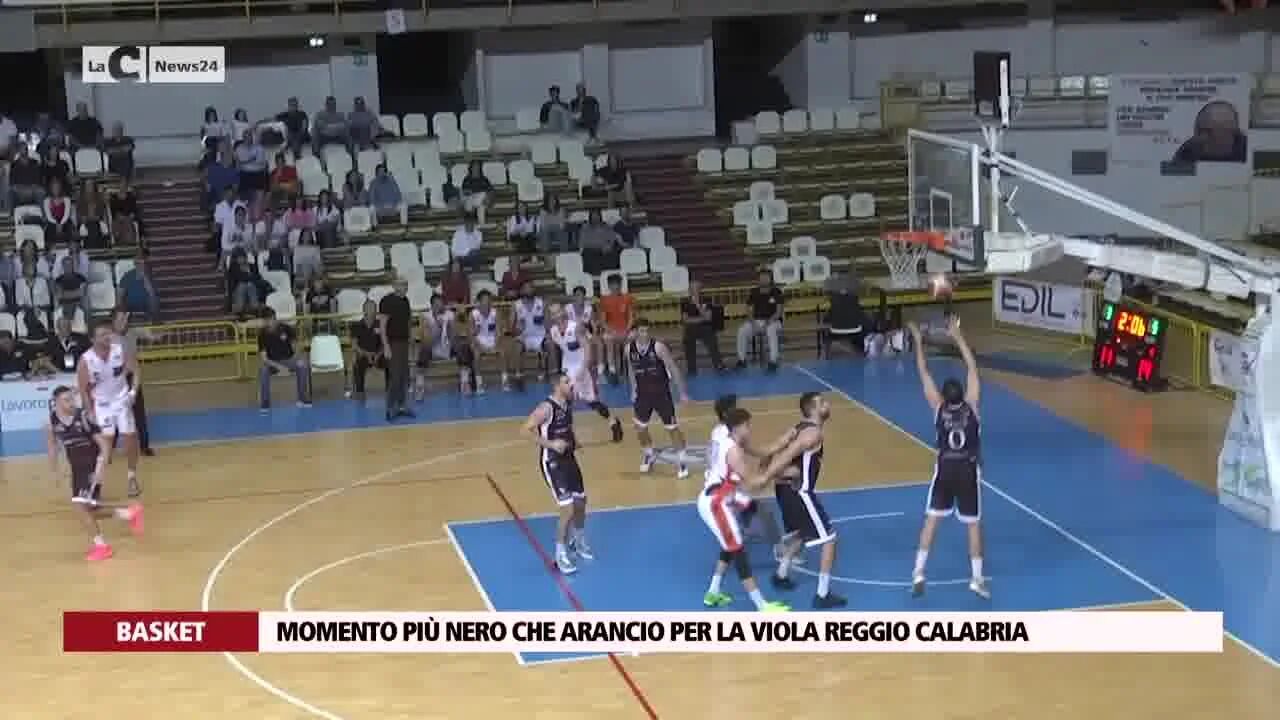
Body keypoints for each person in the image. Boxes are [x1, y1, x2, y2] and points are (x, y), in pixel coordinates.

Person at [906, 316, 989, 600]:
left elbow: (923, 371)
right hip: (967, 470)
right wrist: (957, 336)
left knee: (931, 521)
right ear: (962, 395)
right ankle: (977, 579)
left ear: (943, 395)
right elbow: (972, 367)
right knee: (973, 525)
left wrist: (918, 341)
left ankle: (918, 571)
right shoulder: (973, 406)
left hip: (944, 470)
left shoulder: (938, 408)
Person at [697, 406, 789, 612]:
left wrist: (781, 445)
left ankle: (713, 592)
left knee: (739, 531)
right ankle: (762, 606)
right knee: (738, 550)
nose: (750, 429)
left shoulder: (725, 437)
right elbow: (754, 483)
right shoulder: (734, 452)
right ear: (737, 427)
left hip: (723, 495)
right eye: (748, 425)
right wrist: (775, 471)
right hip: (716, 502)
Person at [762, 392, 847, 608]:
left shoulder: (797, 427)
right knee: (830, 539)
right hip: (802, 493)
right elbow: (786, 455)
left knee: (802, 533)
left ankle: (781, 575)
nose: (827, 405)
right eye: (822, 403)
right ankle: (822, 594)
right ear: (812, 409)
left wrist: (771, 470)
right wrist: (768, 475)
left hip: (789, 492)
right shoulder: (812, 434)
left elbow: (776, 450)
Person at [46, 385, 143, 561]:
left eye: (72, 399)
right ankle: (129, 513)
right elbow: (52, 446)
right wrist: (54, 471)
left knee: (80, 507)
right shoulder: (51, 422)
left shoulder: (84, 417)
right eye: (66, 400)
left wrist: (100, 468)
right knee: (91, 509)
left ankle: (102, 547)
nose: (71, 403)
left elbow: (104, 445)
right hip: (77, 469)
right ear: (56, 403)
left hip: (91, 467)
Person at [523, 372, 593, 574]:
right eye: (566, 382)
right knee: (567, 509)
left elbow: (567, 427)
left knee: (581, 502)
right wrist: (551, 443)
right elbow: (525, 430)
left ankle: (578, 541)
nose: (571, 384)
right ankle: (560, 554)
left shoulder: (568, 404)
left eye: (570, 381)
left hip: (569, 458)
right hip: (552, 462)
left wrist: (575, 441)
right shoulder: (546, 408)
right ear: (556, 386)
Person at [76, 319, 142, 498]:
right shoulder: (86, 361)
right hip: (102, 404)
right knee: (105, 445)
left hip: (122, 401)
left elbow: (136, 371)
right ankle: (96, 485)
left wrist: (133, 392)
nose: (107, 337)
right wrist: (89, 412)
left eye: (108, 333)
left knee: (130, 437)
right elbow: (83, 390)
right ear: (92, 339)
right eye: (102, 335)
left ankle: (132, 476)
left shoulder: (120, 351)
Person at [549, 303, 624, 443]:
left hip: (582, 366)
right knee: (565, 400)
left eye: (558, 311)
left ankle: (613, 422)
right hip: (567, 368)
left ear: (563, 312)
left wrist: (584, 369)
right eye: (553, 313)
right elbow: (562, 350)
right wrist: (558, 371)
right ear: (551, 317)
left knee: (591, 402)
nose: (557, 315)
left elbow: (588, 349)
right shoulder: (553, 331)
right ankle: (569, 436)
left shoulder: (576, 327)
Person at [627, 317, 690, 478]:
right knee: (640, 428)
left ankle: (682, 460)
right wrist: (633, 389)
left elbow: (673, 369)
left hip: (661, 393)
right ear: (635, 332)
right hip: (642, 394)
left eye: (647, 330)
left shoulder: (658, 347)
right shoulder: (629, 349)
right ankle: (649, 453)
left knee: (672, 428)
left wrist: (682, 392)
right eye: (641, 331)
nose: (645, 334)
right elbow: (631, 370)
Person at [113, 311, 153, 457]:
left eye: (125, 319)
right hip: (116, 380)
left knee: (139, 413)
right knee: (115, 414)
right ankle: (109, 449)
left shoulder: (133, 333)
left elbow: (148, 334)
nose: (124, 322)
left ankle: (144, 446)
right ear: (114, 321)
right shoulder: (109, 339)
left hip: (132, 378)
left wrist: (153, 336)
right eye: (120, 319)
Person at [257, 307, 312, 411]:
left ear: (274, 318)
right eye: (265, 320)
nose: (268, 322)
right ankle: (265, 403)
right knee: (263, 370)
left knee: (302, 365)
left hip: (289, 360)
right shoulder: (262, 334)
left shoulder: (287, 328)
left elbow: (296, 347)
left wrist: (297, 358)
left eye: (270, 319)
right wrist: (279, 367)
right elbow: (264, 358)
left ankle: (303, 398)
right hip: (272, 363)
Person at [378, 279, 414, 421]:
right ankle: (390, 407)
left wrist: (410, 339)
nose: (404, 286)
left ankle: (402, 406)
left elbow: (408, 322)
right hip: (393, 343)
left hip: (404, 343)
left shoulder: (406, 301)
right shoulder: (387, 301)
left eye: (406, 284)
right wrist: (386, 346)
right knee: (395, 376)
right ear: (394, 286)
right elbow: (382, 326)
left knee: (404, 375)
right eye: (401, 284)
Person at [736, 269, 784, 372]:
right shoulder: (753, 292)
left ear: (770, 279)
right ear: (758, 280)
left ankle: (773, 361)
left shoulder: (776, 291)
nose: (764, 279)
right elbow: (748, 311)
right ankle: (742, 360)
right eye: (761, 278)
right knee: (742, 331)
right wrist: (754, 324)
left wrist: (767, 323)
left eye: (766, 277)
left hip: (773, 321)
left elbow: (779, 312)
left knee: (771, 330)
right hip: (756, 321)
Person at [418, 294, 463, 398]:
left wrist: (450, 329)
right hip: (432, 349)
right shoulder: (425, 317)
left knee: (463, 347)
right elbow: (427, 341)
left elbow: (454, 337)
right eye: (437, 304)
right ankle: (420, 386)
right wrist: (438, 328)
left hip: (447, 347)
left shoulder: (450, 314)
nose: (440, 306)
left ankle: (465, 382)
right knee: (424, 349)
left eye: (441, 303)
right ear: (432, 305)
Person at [464, 290, 508, 393]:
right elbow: (471, 336)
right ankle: (479, 383)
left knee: (502, 351)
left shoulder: (495, 312)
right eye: (484, 300)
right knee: (476, 354)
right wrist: (481, 347)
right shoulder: (473, 314)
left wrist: (495, 345)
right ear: (479, 302)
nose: (487, 303)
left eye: (489, 300)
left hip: (492, 339)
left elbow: (498, 331)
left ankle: (505, 381)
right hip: (479, 340)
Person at [598, 274, 634, 383]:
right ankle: (612, 370)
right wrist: (611, 331)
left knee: (633, 337)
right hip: (611, 330)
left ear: (621, 285)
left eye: (618, 284)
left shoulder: (628, 298)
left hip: (625, 330)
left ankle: (631, 369)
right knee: (608, 339)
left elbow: (631, 318)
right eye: (613, 284)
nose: (616, 287)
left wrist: (626, 330)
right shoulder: (604, 300)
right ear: (609, 286)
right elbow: (603, 321)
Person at [347, 299, 384, 400]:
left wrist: (378, 355)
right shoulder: (356, 326)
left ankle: (390, 388)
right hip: (363, 355)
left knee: (389, 361)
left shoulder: (381, 325)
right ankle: (360, 392)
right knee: (358, 364)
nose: (372, 310)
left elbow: (385, 344)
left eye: (373, 307)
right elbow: (354, 345)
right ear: (364, 310)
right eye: (369, 308)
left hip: (378, 355)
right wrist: (366, 354)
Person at [511, 282, 549, 382]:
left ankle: (542, 370)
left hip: (540, 335)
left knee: (547, 343)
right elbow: (511, 329)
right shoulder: (515, 305)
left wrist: (548, 334)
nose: (529, 290)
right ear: (522, 291)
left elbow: (548, 324)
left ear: (534, 290)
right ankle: (519, 372)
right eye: (526, 288)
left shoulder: (542, 303)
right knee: (517, 346)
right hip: (524, 336)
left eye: (531, 287)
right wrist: (518, 329)